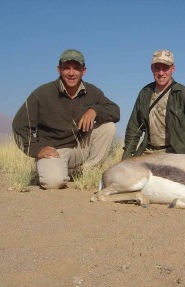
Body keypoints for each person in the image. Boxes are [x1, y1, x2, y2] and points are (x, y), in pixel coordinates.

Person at [12, 49, 120, 189]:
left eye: (76, 68)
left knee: (108, 126)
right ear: (59, 70)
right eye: (66, 68)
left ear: (84, 71)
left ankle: (87, 172)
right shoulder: (42, 93)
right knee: (53, 183)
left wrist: (95, 110)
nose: (71, 73)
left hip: (79, 149)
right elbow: (19, 125)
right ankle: (46, 170)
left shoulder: (93, 92)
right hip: (54, 151)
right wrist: (36, 149)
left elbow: (115, 111)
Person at [122, 49, 185, 159]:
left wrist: (183, 145)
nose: (161, 73)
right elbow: (134, 128)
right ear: (152, 69)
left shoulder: (184, 94)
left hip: (175, 154)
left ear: (173, 69)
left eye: (165, 68)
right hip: (148, 152)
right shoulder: (145, 93)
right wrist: (126, 158)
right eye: (157, 68)